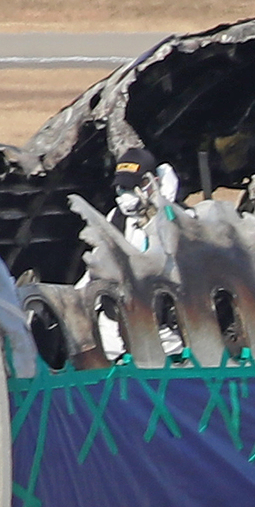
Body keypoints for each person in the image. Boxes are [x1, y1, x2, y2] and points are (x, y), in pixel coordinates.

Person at [79, 148, 184, 360]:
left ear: (150, 182)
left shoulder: (178, 218)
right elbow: (99, 261)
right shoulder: (116, 218)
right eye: (121, 188)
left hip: (162, 332)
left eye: (131, 187)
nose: (125, 195)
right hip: (114, 328)